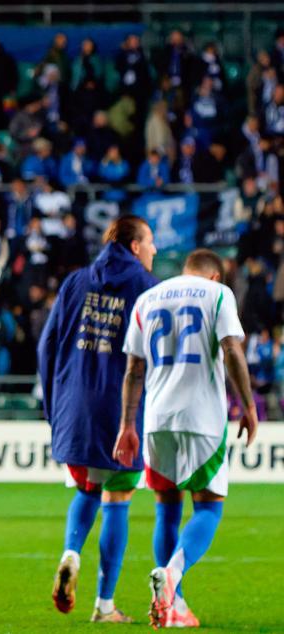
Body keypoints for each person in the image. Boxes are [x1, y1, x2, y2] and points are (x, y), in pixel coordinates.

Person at [114, 249, 259, 629]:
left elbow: (133, 369)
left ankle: (173, 606)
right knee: (208, 508)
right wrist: (248, 405)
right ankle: (173, 573)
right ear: (215, 276)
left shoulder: (148, 298)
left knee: (167, 509)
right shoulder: (218, 294)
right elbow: (231, 349)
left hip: (156, 419)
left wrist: (127, 424)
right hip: (201, 418)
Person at [37, 215, 158, 622]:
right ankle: (104, 605)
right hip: (122, 412)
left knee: (87, 489)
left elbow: (46, 346)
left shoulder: (75, 282)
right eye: (150, 242)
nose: (155, 250)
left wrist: (55, 408)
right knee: (117, 499)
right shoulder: (147, 288)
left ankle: (71, 553)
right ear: (136, 246)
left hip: (75, 408)